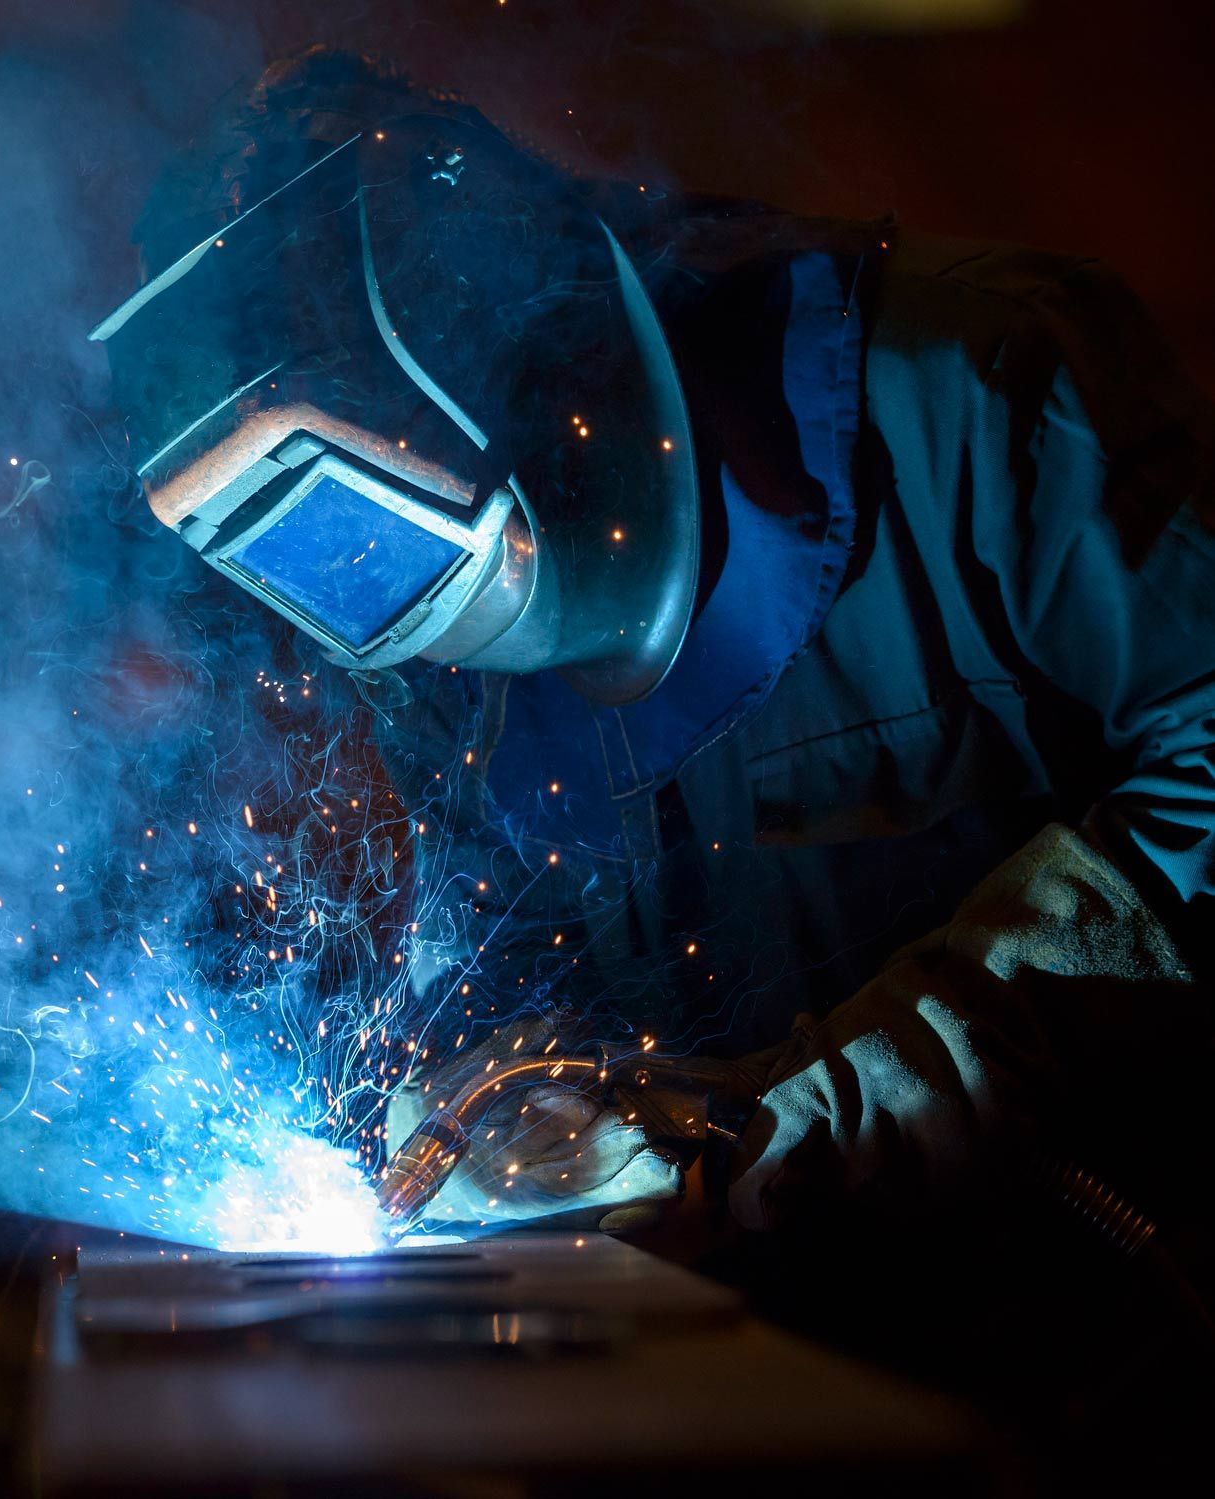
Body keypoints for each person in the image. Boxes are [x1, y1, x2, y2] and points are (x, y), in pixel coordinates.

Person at [91, 49, 1215, 1241]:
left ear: (530, 350)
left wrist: (841, 1101)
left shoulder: (981, 394)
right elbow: (514, 935)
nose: (426, 648)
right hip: (760, 1341)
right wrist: (484, 1085)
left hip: (1120, 1282)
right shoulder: (402, 622)